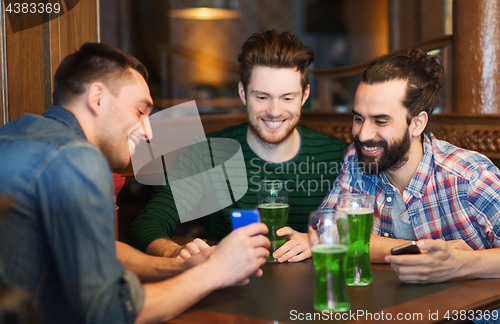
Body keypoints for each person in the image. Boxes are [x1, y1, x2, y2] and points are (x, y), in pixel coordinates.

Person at [0, 42, 270, 323]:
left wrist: (183, 266)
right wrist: (217, 271)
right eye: (140, 111)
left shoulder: (13, 134)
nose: (148, 132)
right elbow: (111, 313)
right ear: (98, 98)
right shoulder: (78, 158)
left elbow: (98, 247)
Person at [126, 30, 348, 263]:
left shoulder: (337, 156)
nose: (274, 111)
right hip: (232, 289)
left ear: (304, 96)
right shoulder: (208, 154)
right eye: (262, 97)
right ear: (243, 93)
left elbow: (367, 232)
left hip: (316, 290)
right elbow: (146, 225)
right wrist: (174, 251)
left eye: (287, 98)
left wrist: (320, 240)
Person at [321, 47, 500, 284]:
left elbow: (347, 239)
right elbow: (330, 233)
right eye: (358, 118)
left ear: (417, 123)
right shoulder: (357, 158)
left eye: (380, 121)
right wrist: (421, 251)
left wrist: (459, 264)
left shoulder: (470, 176)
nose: (363, 134)